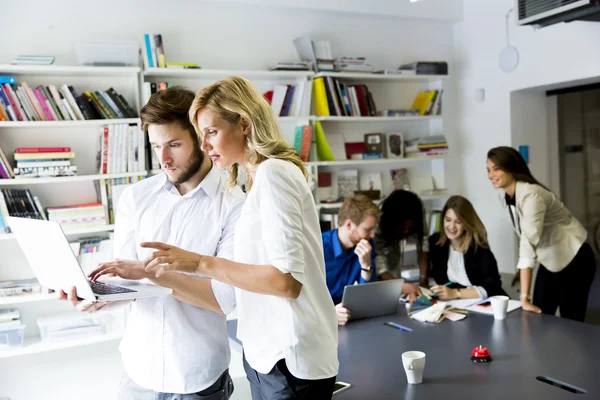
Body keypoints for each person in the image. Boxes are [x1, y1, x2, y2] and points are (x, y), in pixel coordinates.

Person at [141, 76, 338, 399]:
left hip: (291, 357)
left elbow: (287, 282)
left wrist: (201, 263)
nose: (204, 146)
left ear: (244, 124)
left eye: (211, 132)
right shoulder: (254, 180)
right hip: (266, 354)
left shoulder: (275, 173)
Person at [59, 86, 243, 399]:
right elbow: (128, 283)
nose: (164, 159)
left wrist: (151, 273)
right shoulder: (136, 197)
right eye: (156, 146)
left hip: (196, 375)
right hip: (138, 370)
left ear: (202, 138)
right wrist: (96, 299)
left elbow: (224, 300)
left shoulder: (234, 204)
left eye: (174, 144)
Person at [487, 146, 596, 321]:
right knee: (539, 315)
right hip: (552, 260)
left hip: (575, 258)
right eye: (488, 170)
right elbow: (522, 232)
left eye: (496, 169)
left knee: (572, 321)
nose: (491, 175)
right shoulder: (507, 197)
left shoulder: (532, 195)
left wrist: (523, 297)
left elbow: (528, 242)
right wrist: (521, 269)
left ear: (512, 168)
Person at [429, 195, 507, 300]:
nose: (451, 226)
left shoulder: (478, 248)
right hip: (454, 304)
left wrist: (455, 293)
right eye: (448, 220)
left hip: (484, 304)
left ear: (466, 223)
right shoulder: (436, 242)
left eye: (458, 222)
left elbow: (492, 287)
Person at [322, 194, 380, 326]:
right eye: (368, 229)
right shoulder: (318, 248)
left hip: (353, 320)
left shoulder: (366, 246)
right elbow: (303, 298)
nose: (372, 235)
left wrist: (366, 267)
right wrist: (328, 314)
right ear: (349, 224)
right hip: (323, 322)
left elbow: (369, 298)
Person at [374, 190, 426, 296]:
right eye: (403, 227)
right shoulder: (378, 223)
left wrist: (423, 280)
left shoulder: (417, 214)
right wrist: (400, 285)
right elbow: (380, 267)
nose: (406, 231)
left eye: (409, 228)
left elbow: (424, 246)